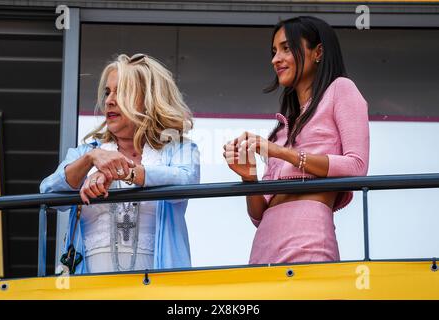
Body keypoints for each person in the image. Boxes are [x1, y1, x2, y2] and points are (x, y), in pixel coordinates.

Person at [223, 16, 369, 264]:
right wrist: (248, 177)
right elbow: (258, 216)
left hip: (309, 238)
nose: (275, 59)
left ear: (318, 52)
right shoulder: (281, 128)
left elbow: (357, 167)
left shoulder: (341, 89)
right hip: (264, 245)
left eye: (286, 48)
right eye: (273, 51)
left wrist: (281, 153)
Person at [40, 53, 200, 274]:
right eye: (107, 92)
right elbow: (48, 193)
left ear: (148, 100)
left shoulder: (179, 149)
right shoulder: (87, 152)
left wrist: (125, 173)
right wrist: (90, 160)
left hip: (158, 287)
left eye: (121, 92)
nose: (109, 100)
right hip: (90, 289)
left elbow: (187, 181)